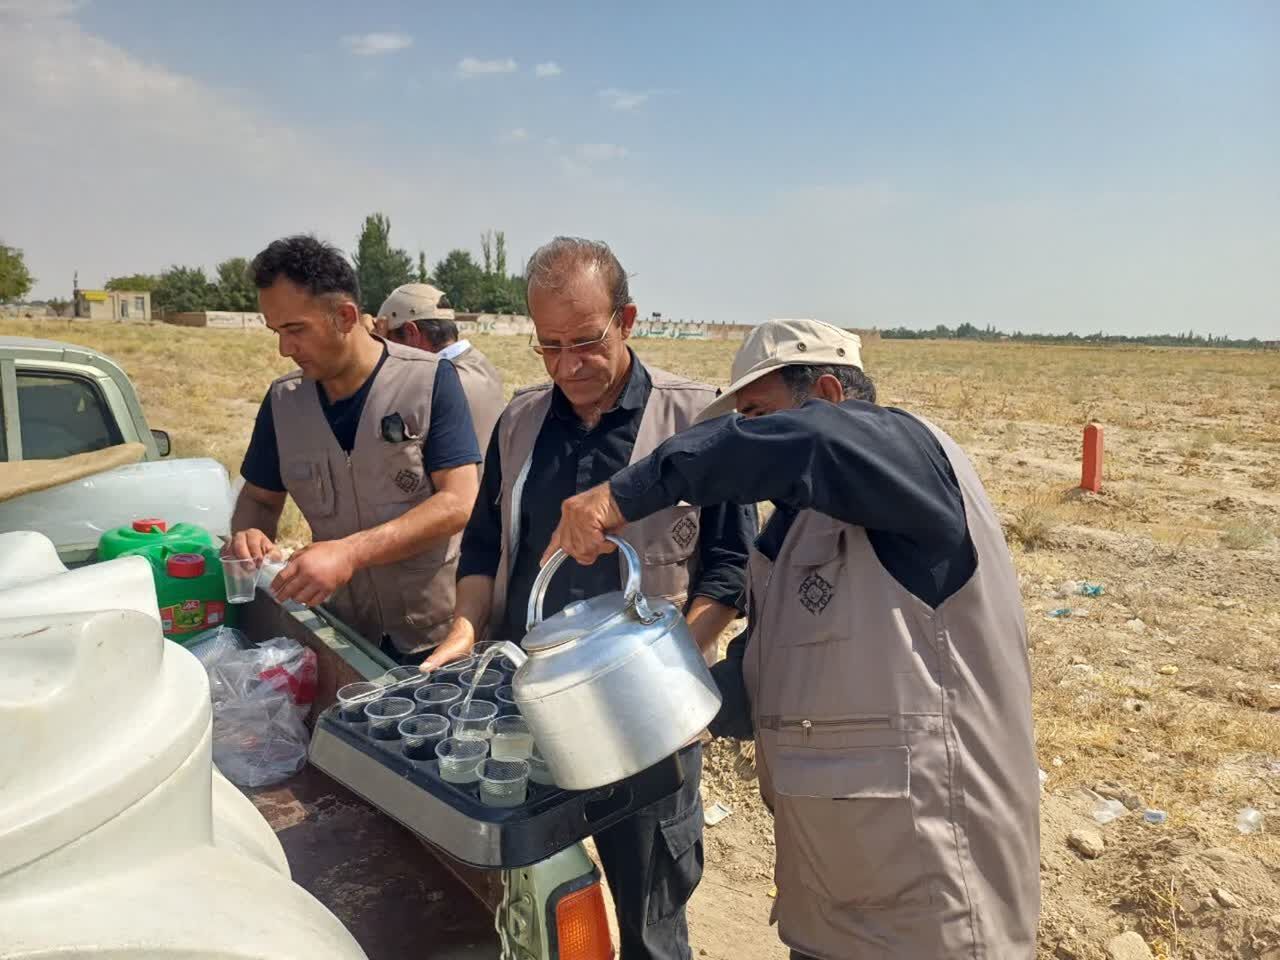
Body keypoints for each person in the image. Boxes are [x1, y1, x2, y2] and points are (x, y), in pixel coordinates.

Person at [544, 319, 1040, 960]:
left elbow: (812, 445)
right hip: (841, 906)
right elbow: (762, 684)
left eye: (759, 416)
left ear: (829, 396)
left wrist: (622, 494)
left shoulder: (912, 457)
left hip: (932, 909)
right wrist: (630, 709)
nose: (751, 440)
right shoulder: (797, 532)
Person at [424, 237, 756, 960]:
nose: (568, 367)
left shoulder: (697, 423)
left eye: (585, 342)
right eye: (548, 347)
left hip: (646, 723)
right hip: (531, 710)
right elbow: (484, 549)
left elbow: (730, 569)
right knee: (528, 906)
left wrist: (678, 669)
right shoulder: (518, 423)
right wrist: (462, 629)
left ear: (628, 319)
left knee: (649, 920)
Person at [229, 236, 481, 664]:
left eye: (295, 330)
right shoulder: (283, 403)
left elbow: (458, 501)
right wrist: (250, 535)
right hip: (344, 634)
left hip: (434, 637)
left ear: (345, 316)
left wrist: (349, 552)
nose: (283, 349)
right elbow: (259, 497)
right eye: (277, 332)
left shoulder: (428, 381)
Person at [379, 282, 505, 457]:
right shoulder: (482, 365)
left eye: (389, 341)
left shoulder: (429, 387)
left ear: (410, 333)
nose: (388, 350)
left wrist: (373, 355)